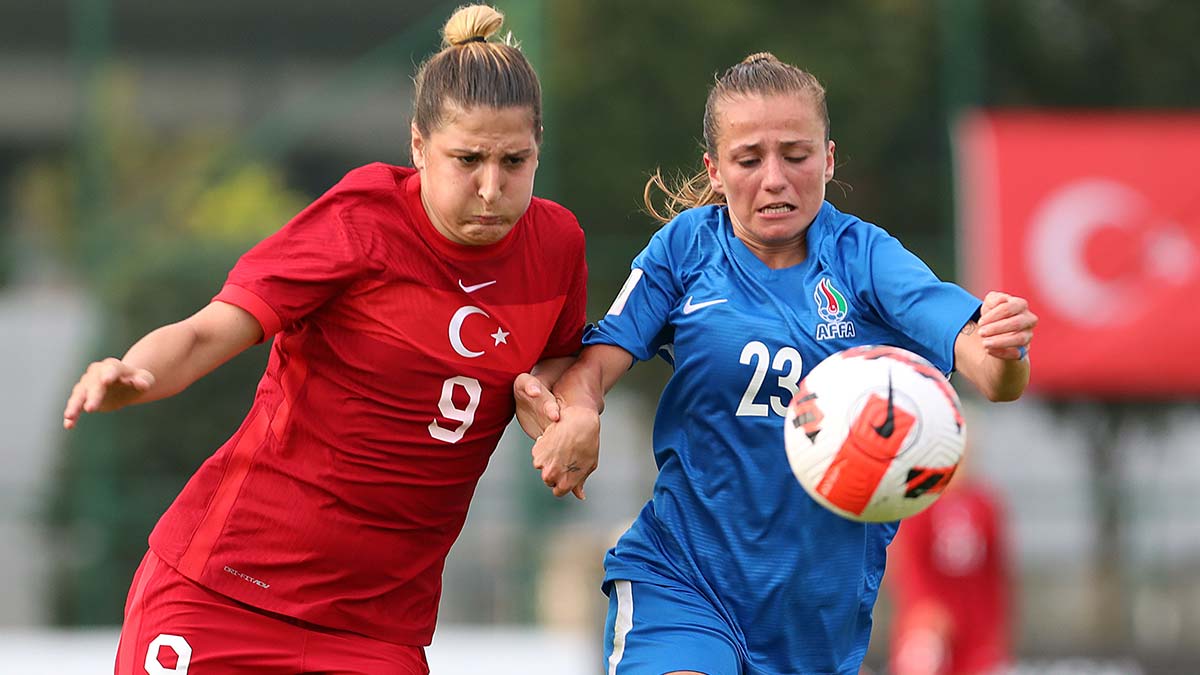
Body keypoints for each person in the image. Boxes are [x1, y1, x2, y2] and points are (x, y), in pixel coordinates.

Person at [61, 6, 585, 673]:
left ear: (539, 146)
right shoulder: (358, 222)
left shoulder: (557, 245)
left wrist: (575, 410)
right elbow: (204, 332)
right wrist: (136, 373)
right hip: (222, 595)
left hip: (375, 634)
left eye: (515, 160)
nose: (491, 186)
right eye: (467, 159)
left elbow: (559, 360)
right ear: (418, 147)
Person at [529, 53, 1037, 674]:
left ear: (828, 158)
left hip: (814, 621)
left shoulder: (866, 258)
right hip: (684, 584)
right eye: (749, 160)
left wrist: (1005, 346)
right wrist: (579, 413)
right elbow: (592, 368)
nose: (774, 179)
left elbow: (988, 368)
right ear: (716, 171)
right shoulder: (684, 249)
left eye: (795, 156)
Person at [886, 454, 1012, 675]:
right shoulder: (919, 503)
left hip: (975, 622)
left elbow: (996, 570)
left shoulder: (984, 503)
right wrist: (921, 606)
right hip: (929, 621)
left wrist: (996, 624)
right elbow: (907, 562)